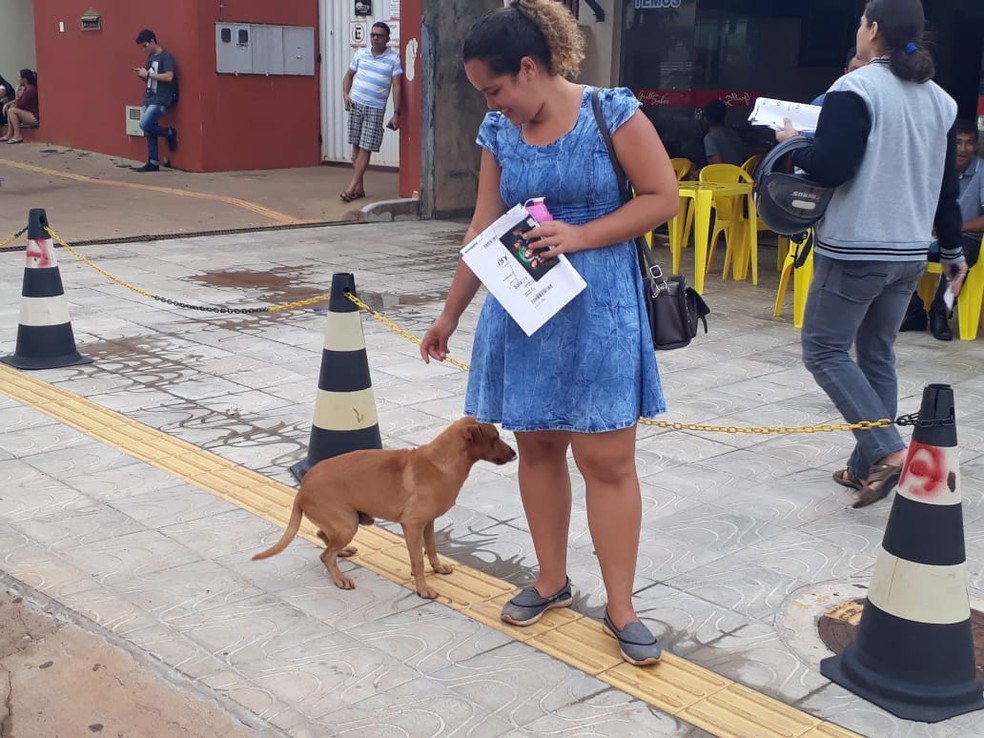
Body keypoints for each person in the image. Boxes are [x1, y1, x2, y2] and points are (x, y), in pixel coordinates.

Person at [419, 0, 678, 665]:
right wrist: (450, 313)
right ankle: (550, 579)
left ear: (529, 67)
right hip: (525, 308)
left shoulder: (610, 112)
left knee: (607, 461)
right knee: (536, 449)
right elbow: (483, 226)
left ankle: (621, 607)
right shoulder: (498, 132)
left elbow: (662, 197)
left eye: (495, 89)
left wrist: (582, 235)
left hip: (601, 310)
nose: (492, 104)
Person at [775, 0, 966, 508]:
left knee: (824, 350)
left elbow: (831, 166)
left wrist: (795, 141)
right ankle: (866, 469)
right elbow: (947, 189)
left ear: (874, 28)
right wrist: (951, 250)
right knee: (877, 354)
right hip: (910, 252)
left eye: (862, 21)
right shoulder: (942, 101)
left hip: (856, 248)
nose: (860, 28)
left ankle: (887, 451)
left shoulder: (853, 89)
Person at [900, 119, 984, 339]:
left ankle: (940, 313)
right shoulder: (934, 167)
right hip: (928, 236)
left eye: (969, 143)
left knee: (959, 256)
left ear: (976, 146)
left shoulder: (982, 171)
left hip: (966, 237)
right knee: (898, 251)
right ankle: (914, 311)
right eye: (958, 142)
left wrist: (953, 228)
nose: (963, 148)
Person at [340, 22, 402, 202]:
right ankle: (359, 188)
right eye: (373, 35)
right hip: (356, 104)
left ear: (387, 39)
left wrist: (396, 113)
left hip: (375, 109)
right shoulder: (361, 54)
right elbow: (349, 75)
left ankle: (351, 188)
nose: (375, 38)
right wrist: (345, 95)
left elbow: (397, 86)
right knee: (355, 146)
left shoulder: (393, 58)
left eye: (380, 35)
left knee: (365, 148)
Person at [132, 29, 178, 172]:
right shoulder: (150, 58)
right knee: (149, 131)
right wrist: (142, 75)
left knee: (145, 124)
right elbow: (149, 78)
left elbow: (169, 76)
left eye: (145, 46)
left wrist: (148, 75)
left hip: (161, 99)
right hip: (150, 97)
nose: (144, 49)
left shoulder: (166, 57)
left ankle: (169, 133)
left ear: (152, 41)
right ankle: (153, 162)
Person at [702, 99, 746, 166]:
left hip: (725, 172)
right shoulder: (733, 134)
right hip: (739, 171)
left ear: (705, 118)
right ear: (725, 117)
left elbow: (718, 166)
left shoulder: (710, 138)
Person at [0, 69, 39, 144]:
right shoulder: (27, 88)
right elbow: (19, 101)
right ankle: (9, 134)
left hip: (34, 118)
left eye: (19, 77)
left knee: (12, 110)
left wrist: (17, 91)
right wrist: (8, 104)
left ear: (24, 79)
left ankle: (17, 136)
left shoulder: (30, 89)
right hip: (28, 115)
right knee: (11, 108)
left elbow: (20, 104)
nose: (18, 80)